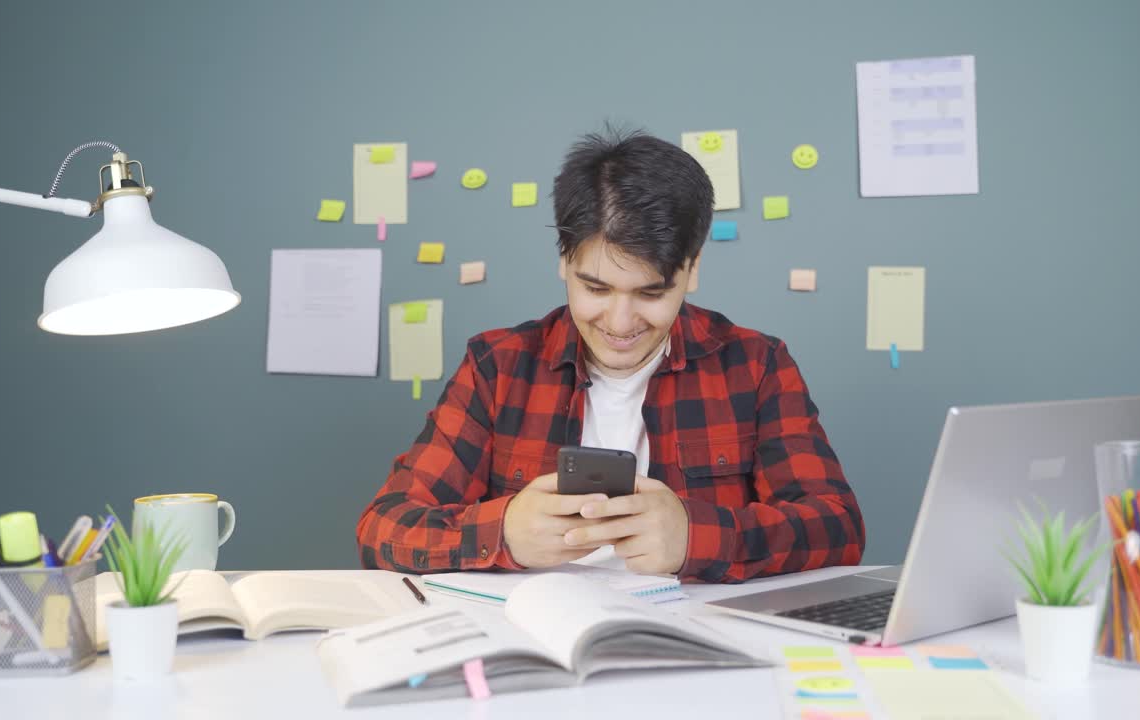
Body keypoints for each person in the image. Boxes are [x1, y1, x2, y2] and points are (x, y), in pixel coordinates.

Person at [356, 129, 864, 582]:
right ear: (564, 260)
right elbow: (383, 528)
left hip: (695, 644)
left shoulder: (756, 366)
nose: (620, 324)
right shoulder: (497, 366)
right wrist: (503, 531)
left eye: (650, 293)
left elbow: (838, 527)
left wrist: (695, 536)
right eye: (596, 289)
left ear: (692, 270)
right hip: (535, 639)